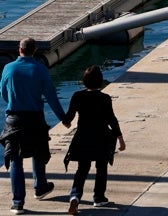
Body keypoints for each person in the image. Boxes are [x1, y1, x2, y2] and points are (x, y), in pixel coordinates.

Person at [0, 37, 67, 215]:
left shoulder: (8, 68)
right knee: (38, 152)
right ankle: (40, 186)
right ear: (35, 50)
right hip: (35, 118)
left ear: (19, 49)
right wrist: (63, 118)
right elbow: (51, 97)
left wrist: (14, 103)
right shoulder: (41, 69)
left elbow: (4, 94)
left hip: (14, 119)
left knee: (15, 159)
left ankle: (17, 203)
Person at [63, 66, 125, 215]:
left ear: (84, 81)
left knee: (82, 169)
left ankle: (75, 196)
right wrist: (120, 139)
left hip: (83, 137)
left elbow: (68, 118)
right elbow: (112, 120)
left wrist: (67, 122)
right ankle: (99, 198)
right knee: (101, 168)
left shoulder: (77, 96)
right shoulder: (104, 98)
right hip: (101, 138)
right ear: (100, 81)